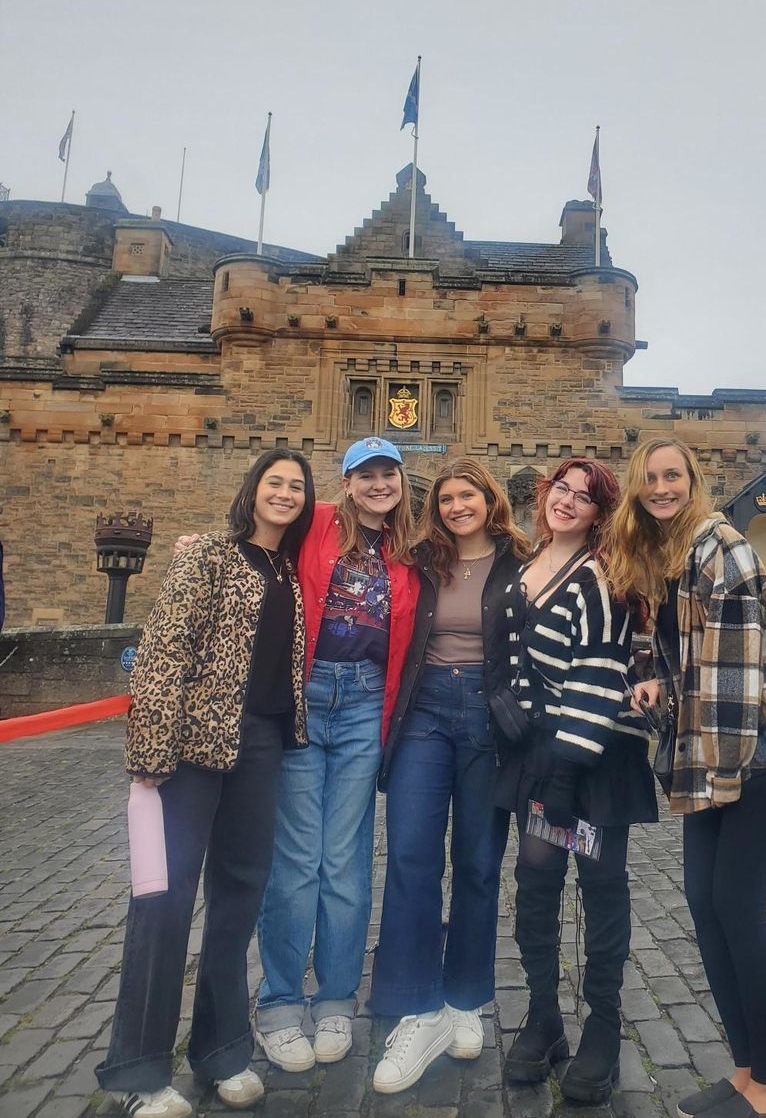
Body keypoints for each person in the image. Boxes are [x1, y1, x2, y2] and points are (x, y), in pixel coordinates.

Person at [96, 448, 316, 1118]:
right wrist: (152, 752)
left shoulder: (288, 570)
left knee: (237, 903)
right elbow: (165, 649)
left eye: (297, 487)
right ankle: (138, 1069)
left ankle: (222, 1050)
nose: (285, 494)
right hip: (191, 748)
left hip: (263, 747)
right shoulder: (209, 556)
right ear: (251, 490)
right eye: (274, 482)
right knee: (163, 902)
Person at [605, 438, 766, 1118]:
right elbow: (662, 654)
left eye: (673, 477)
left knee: (738, 909)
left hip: (761, 756)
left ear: (693, 481)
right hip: (712, 752)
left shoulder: (719, 547)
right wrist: (647, 687)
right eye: (649, 479)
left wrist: (708, 784)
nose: (661, 488)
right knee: (705, 906)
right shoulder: (664, 555)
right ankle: (749, 1069)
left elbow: (730, 683)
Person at [253, 437, 420, 1070]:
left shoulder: (410, 551)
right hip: (305, 691)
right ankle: (278, 1003)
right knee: (296, 856)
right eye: (366, 475)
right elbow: (257, 536)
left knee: (344, 857)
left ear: (400, 482)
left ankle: (336, 1000)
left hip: (363, 705)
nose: (379, 484)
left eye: (388, 474)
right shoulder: (317, 521)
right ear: (346, 483)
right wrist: (205, 550)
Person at [496, 459, 658, 1106]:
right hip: (543, 759)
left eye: (583, 497)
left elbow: (596, 675)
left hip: (589, 766)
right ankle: (543, 1017)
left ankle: (603, 1026)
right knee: (536, 883)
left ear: (600, 512)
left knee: (597, 885)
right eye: (560, 489)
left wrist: (564, 773)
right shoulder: (529, 560)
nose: (566, 501)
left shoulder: (598, 576)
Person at [368, 459, 529, 1093]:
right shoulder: (419, 561)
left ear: (490, 500)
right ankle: (416, 1004)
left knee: (479, 862)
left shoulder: (523, 561)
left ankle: (465, 998)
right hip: (426, 711)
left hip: (490, 718)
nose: (457, 507)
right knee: (410, 854)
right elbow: (341, 549)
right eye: (445, 499)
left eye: (468, 496)